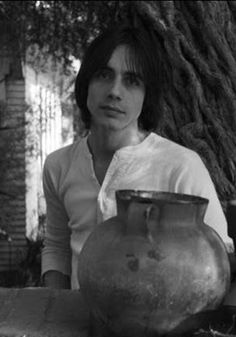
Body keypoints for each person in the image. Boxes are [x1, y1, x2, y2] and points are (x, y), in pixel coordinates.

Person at [41, 23, 233, 290]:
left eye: (132, 81)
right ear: (86, 83)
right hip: (75, 323)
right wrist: (52, 312)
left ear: (147, 95)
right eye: (104, 75)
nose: (114, 92)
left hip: (157, 325)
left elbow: (218, 257)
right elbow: (57, 247)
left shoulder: (180, 167)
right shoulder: (58, 165)